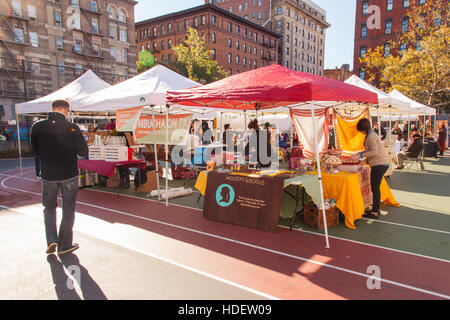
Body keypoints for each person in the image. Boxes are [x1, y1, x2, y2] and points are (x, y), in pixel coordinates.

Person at [30, 99, 88, 256]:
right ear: (66, 110)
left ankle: (51, 240)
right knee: (68, 208)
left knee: (49, 208)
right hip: (68, 173)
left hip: (48, 174)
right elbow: (83, 151)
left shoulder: (37, 126)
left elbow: (34, 150)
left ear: (52, 109)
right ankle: (65, 244)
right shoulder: (72, 128)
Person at [356, 118, 390, 219]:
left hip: (379, 164)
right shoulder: (372, 134)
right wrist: (360, 154)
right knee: (376, 187)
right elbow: (371, 149)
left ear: (363, 128)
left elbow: (374, 151)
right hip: (381, 163)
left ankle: (375, 212)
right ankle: (376, 209)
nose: (361, 132)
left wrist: (360, 155)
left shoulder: (370, 137)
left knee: (375, 188)